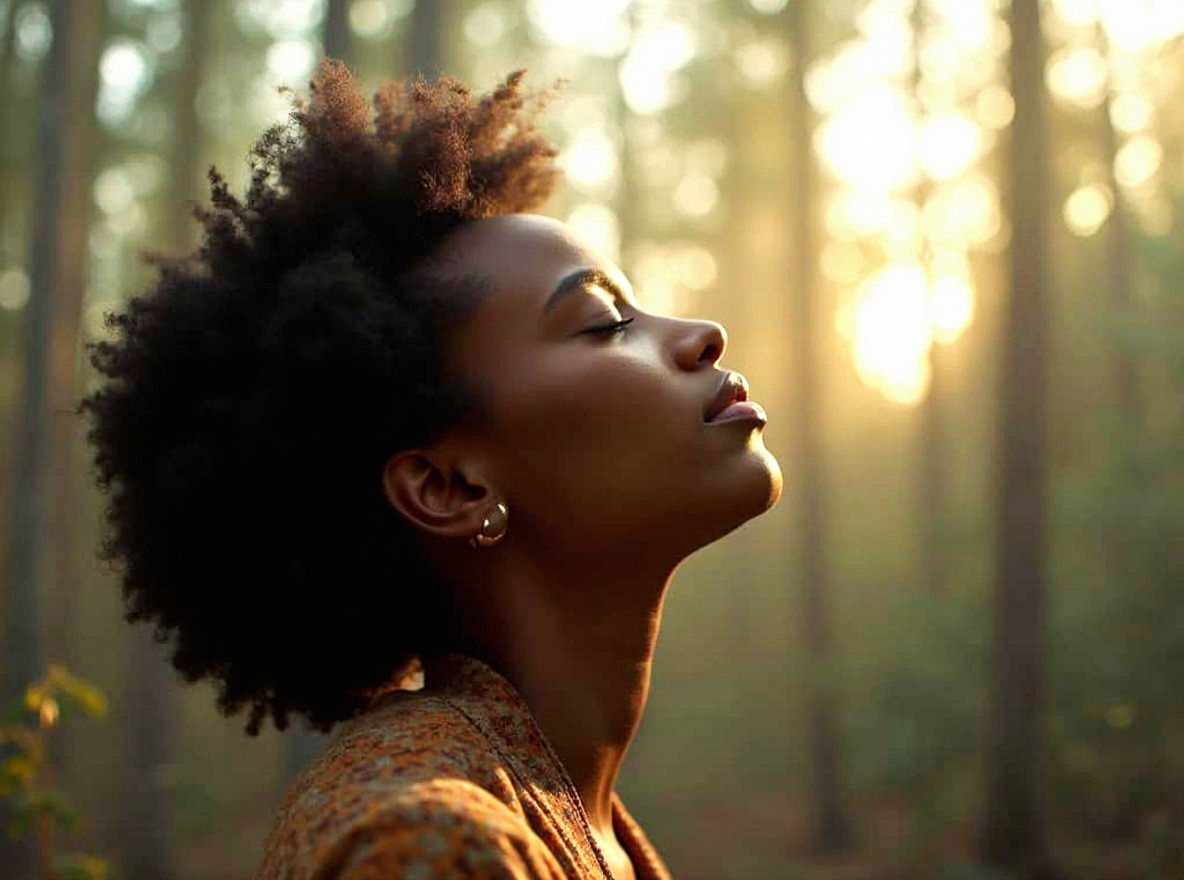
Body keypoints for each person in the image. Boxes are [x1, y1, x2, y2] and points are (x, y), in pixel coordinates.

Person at [80, 61, 782, 880]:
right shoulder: (427, 846)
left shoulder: (577, 818)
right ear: (450, 488)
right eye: (602, 322)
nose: (702, 333)